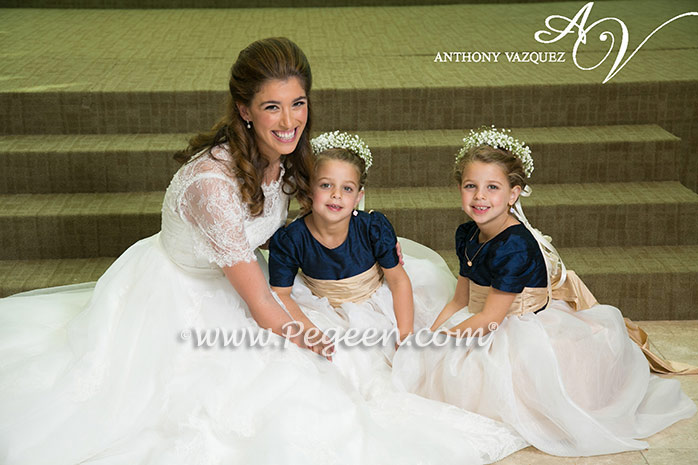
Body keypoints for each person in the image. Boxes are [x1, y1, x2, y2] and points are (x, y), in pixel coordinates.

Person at [0, 41, 526, 464]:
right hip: (178, 294)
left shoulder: (285, 155)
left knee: (346, 357)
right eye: (272, 106)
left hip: (247, 277)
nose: (289, 119)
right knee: (291, 386)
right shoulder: (213, 185)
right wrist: (316, 340)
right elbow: (259, 307)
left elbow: (316, 218)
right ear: (244, 110)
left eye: (297, 103)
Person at [391, 126, 697, 457]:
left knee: (488, 384)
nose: (480, 196)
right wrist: (432, 336)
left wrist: (438, 342)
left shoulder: (516, 245)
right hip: (480, 316)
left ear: (513, 194)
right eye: (470, 186)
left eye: (492, 187)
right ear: (459, 189)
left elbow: (492, 318)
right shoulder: (466, 232)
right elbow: (460, 299)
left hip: (515, 325)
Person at [268, 131, 453, 394]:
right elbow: (281, 295)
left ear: (358, 196)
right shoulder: (291, 239)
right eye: (325, 185)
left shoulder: (372, 228)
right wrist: (309, 330)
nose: (336, 195)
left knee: (413, 356)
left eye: (347, 188)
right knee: (335, 364)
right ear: (310, 189)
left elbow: (398, 280)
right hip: (323, 305)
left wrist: (405, 331)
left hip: (378, 298)